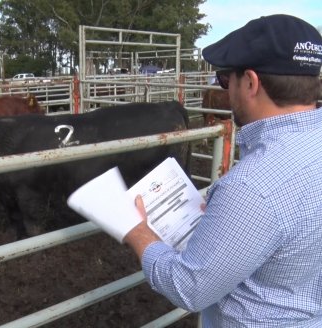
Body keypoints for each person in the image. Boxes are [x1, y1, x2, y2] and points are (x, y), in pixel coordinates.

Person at [123, 15, 322, 327]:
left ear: (251, 83)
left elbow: (189, 288)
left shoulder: (253, 185)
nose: (226, 92)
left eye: (225, 80)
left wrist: (137, 232)